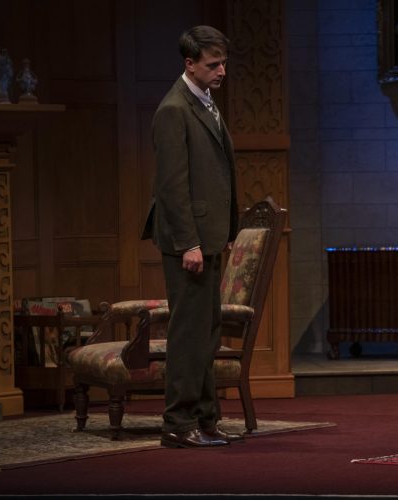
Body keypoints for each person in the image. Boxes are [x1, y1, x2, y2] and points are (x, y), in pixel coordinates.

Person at [141, 25, 241, 448]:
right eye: (213, 64)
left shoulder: (204, 102)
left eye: (223, 63)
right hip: (189, 241)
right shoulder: (174, 109)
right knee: (188, 333)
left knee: (207, 331)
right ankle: (177, 423)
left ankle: (205, 417)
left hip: (208, 236)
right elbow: (172, 186)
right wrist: (189, 244)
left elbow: (216, 172)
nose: (221, 71)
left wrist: (223, 231)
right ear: (190, 64)